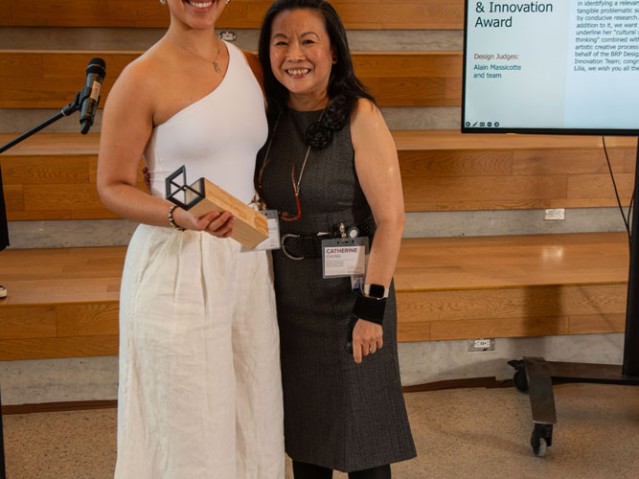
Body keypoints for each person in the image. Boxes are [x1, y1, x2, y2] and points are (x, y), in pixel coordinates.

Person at [96, 0, 284, 477]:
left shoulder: (250, 66)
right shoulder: (141, 78)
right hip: (177, 263)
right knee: (188, 423)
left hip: (245, 259)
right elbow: (112, 185)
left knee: (251, 409)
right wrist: (181, 217)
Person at [255, 1, 416, 478]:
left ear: (333, 52)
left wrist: (372, 309)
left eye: (308, 41)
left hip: (353, 296)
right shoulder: (270, 117)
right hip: (290, 296)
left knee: (364, 439)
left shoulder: (359, 115)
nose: (294, 54)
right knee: (308, 440)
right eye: (281, 42)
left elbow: (392, 220)